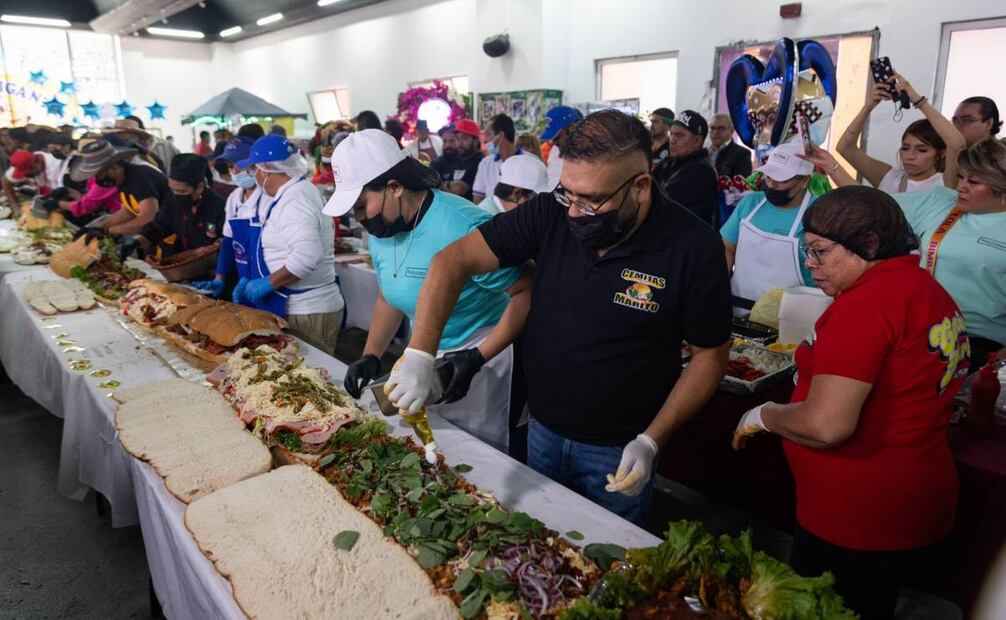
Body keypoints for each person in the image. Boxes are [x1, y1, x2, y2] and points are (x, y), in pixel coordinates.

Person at [394, 110, 731, 524]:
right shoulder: (551, 213)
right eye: (567, 193)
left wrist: (652, 440)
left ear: (641, 187)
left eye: (591, 201)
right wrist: (419, 355)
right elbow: (451, 261)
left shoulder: (693, 246)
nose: (573, 212)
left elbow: (710, 356)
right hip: (543, 429)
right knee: (540, 541)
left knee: (610, 554)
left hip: (620, 447)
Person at [733, 186, 969, 619]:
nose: (809, 263)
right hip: (902, 494)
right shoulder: (921, 285)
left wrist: (764, 415)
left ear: (870, 244)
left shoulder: (868, 305)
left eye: (820, 252)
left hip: (858, 511)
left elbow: (827, 426)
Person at [324, 129, 531, 451]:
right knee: (431, 449)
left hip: (481, 353)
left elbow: (525, 292)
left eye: (362, 205)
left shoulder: (461, 226)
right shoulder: (385, 229)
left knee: (480, 456)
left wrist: (477, 358)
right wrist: (371, 355)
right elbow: (388, 295)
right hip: (425, 354)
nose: (359, 217)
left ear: (394, 187)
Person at [886, 138, 1006, 363]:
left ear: (1000, 186)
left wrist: (994, 364)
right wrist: (833, 166)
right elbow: (871, 205)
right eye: (961, 177)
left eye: (974, 181)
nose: (962, 186)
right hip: (923, 332)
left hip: (983, 344)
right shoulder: (941, 202)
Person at [230, 134, 344, 355]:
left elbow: (307, 256)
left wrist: (266, 283)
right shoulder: (296, 192)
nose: (255, 176)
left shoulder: (294, 200)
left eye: (255, 170)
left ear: (267, 170)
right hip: (304, 307)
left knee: (309, 378)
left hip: (308, 310)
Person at [722, 141, 816, 315]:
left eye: (781, 179)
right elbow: (727, 248)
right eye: (769, 176)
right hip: (737, 309)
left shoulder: (818, 214)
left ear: (804, 181)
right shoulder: (750, 203)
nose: (772, 184)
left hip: (789, 318)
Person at [838, 75, 965, 194]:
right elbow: (845, 148)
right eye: (905, 148)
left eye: (921, 150)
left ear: (942, 153)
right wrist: (868, 107)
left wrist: (919, 101)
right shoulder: (890, 178)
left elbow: (956, 143)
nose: (910, 156)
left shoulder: (947, 183)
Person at [191, 137, 261, 299]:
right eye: (231, 167)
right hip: (243, 277)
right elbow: (228, 242)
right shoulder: (234, 198)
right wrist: (219, 278)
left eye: (240, 165)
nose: (235, 171)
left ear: (256, 165)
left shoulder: (268, 197)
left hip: (267, 281)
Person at [120, 154, 225, 261]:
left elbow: (224, 246)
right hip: (183, 265)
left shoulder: (219, 208)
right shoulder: (172, 200)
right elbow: (158, 228)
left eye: (182, 191)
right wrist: (134, 242)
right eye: (172, 189)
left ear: (199, 187)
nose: (175, 195)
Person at [69, 139, 169, 236]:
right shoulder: (122, 179)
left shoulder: (140, 178)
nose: (97, 179)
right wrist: (99, 227)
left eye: (99, 174)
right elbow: (128, 211)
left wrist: (110, 231)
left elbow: (148, 219)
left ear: (113, 167)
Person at [653, 110, 719, 224]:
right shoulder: (669, 162)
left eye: (679, 135)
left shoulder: (702, 171)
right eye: (671, 134)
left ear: (697, 141)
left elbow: (661, 204)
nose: (672, 140)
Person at [472, 114, 522, 205]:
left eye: (488, 135)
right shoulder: (486, 163)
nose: (485, 141)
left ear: (501, 135)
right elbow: (478, 199)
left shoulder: (529, 162)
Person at [540, 105, 583, 190]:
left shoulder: (592, 156)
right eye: (553, 139)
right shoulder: (555, 151)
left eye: (557, 137)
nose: (554, 143)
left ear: (572, 129)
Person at [439, 119, 483, 201]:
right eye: (458, 138)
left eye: (464, 138)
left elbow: (458, 189)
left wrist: (447, 186)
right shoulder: (459, 160)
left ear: (476, 141)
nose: (460, 143)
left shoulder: (481, 162)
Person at [707, 114, 752, 178]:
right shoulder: (703, 152)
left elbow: (741, 184)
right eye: (712, 128)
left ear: (732, 130)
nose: (715, 132)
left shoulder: (742, 154)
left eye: (721, 128)